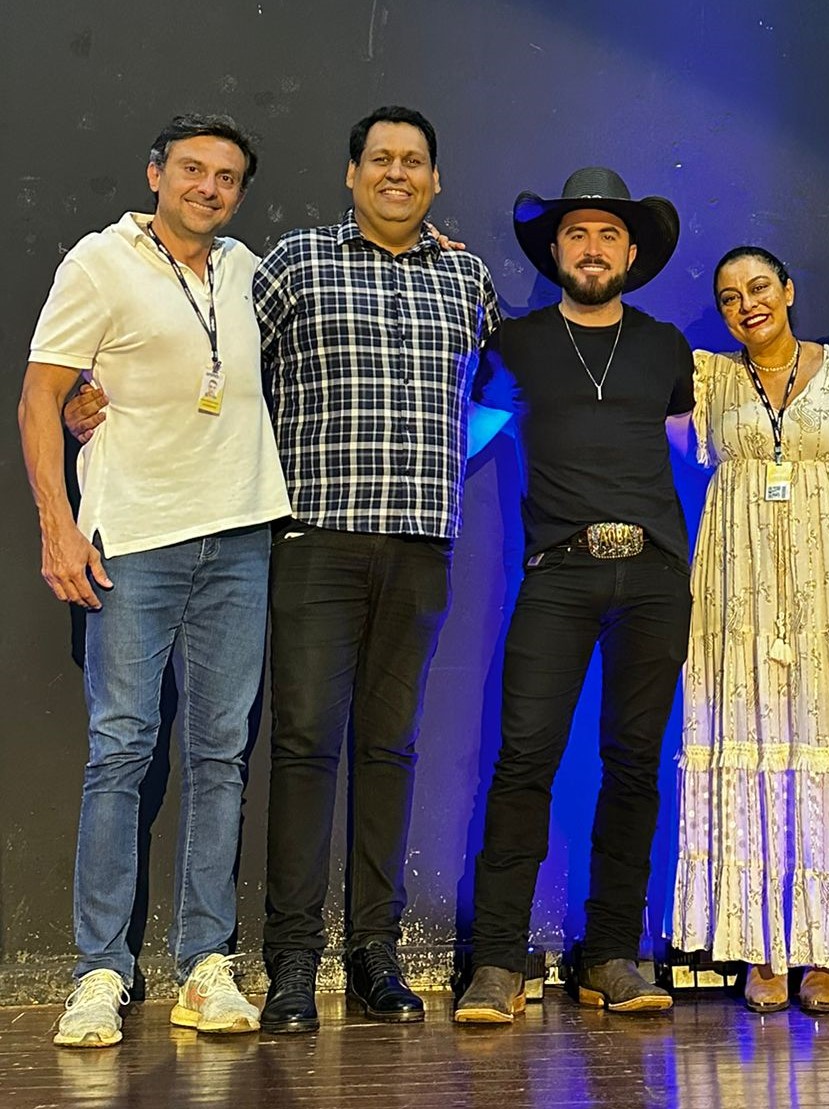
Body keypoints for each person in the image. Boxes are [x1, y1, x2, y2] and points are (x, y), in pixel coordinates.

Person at [18, 113, 291, 1047]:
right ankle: (99, 971)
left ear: (239, 193)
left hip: (240, 537)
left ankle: (205, 964)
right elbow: (42, 394)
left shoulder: (250, 269)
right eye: (192, 171)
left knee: (221, 757)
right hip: (133, 539)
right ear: (156, 174)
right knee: (121, 751)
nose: (208, 188)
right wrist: (58, 524)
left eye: (226, 178)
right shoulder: (100, 262)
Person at [252, 106, 500, 1033]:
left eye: (415, 161)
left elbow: (499, 394)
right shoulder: (295, 264)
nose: (398, 172)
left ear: (435, 180)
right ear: (352, 173)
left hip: (420, 547)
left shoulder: (468, 278)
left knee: (389, 749)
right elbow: (225, 370)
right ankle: (289, 964)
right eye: (381, 159)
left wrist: (444, 461)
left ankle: (373, 956)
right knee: (307, 741)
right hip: (316, 539)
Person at [453, 168, 693, 1024]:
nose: (593, 249)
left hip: (658, 578)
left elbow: (699, 445)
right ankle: (496, 964)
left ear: (632, 251)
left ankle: (610, 956)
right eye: (577, 235)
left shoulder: (668, 349)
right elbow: (464, 431)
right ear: (555, 250)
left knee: (634, 766)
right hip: (559, 573)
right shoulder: (514, 345)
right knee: (524, 762)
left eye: (608, 236)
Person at [671, 247, 829, 1014]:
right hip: (734, 581)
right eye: (728, 295)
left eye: (758, 288)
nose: (746, 304)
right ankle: (761, 947)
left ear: (789, 289)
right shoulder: (707, 378)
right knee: (748, 737)